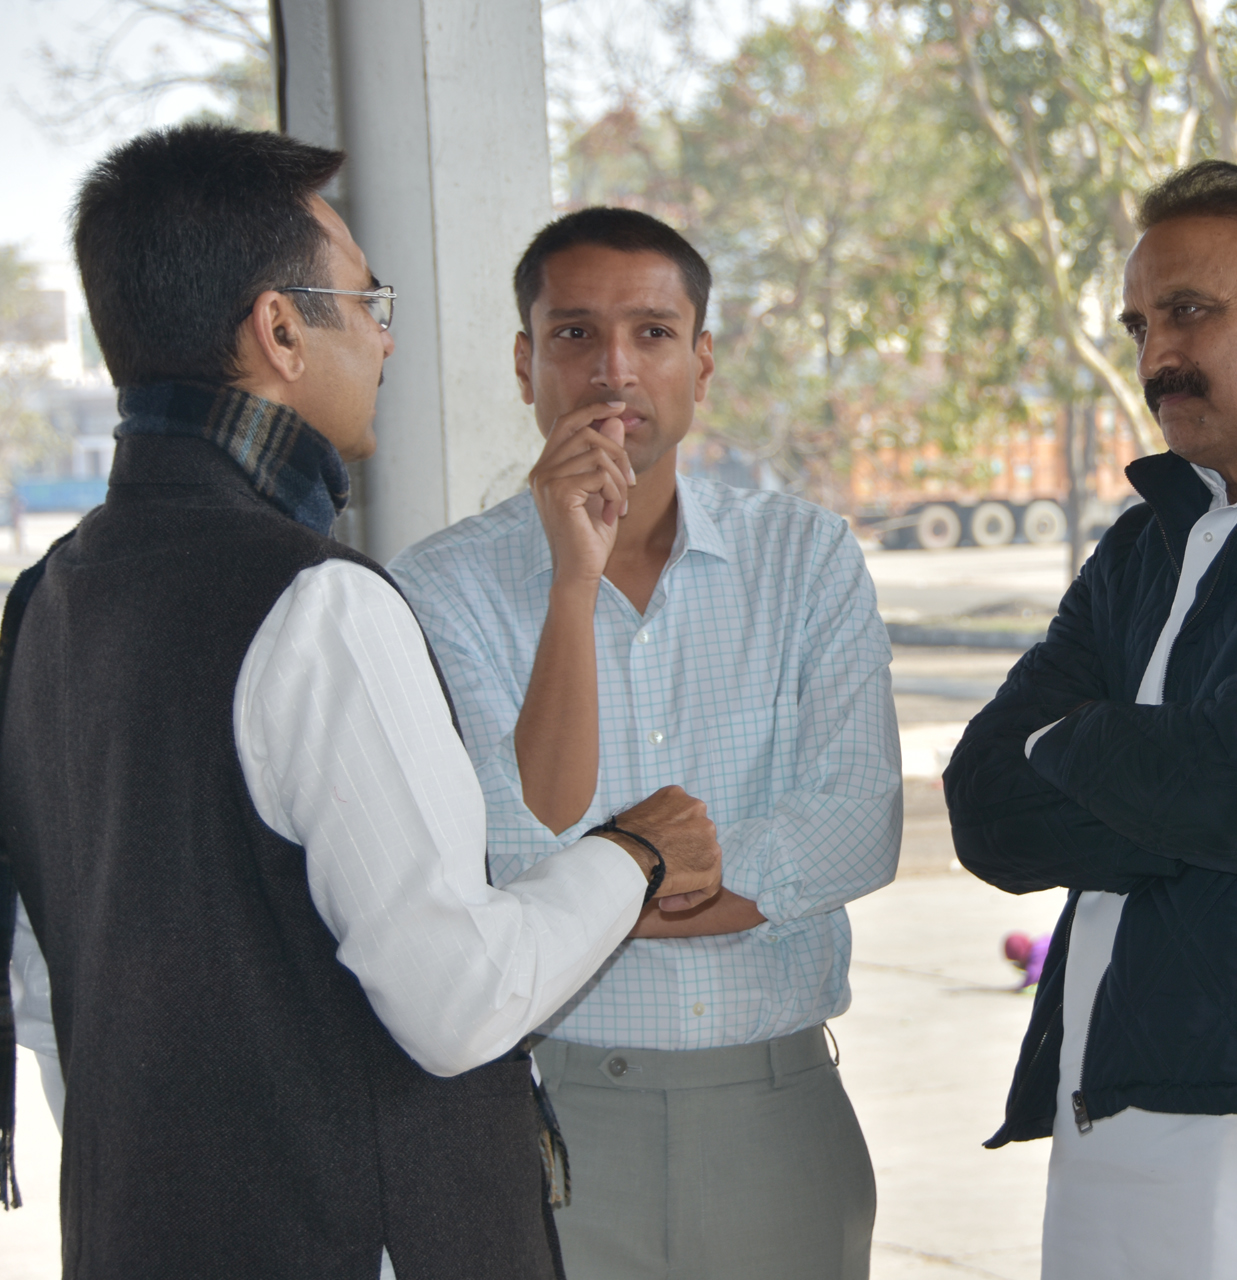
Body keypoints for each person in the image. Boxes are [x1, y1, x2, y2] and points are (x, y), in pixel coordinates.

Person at [0, 124, 722, 1280]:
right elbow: (456, 996)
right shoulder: (313, 605)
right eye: (364, 298)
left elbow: (48, 997)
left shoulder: (47, 599)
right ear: (281, 330)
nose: (385, 336)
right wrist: (631, 854)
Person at [389, 207, 899, 1280]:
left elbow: (854, 831)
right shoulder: (441, 588)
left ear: (701, 359)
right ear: (526, 362)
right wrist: (570, 578)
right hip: (551, 1116)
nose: (613, 368)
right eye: (574, 334)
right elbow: (508, 856)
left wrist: (592, 897)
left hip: (778, 1114)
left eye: (653, 333)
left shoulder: (802, 556)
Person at [944, 160, 1237, 1279]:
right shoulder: (1146, 538)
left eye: (1192, 311)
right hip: (1100, 1082)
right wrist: (1166, 784)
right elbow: (983, 807)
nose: (1157, 353)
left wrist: (1067, 743)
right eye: (1140, 322)